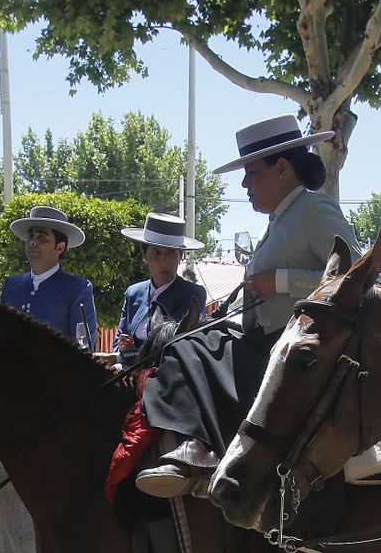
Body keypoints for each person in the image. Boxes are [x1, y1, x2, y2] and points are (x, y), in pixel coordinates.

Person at [134, 113, 358, 497]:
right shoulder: (278, 219)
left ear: (282, 168)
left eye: (251, 173)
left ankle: (199, 448)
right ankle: (197, 446)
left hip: (294, 357)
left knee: (188, 349)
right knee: (187, 344)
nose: (244, 184)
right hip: (265, 343)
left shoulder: (313, 209)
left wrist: (281, 281)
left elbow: (353, 273)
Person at [115, 211, 208, 367]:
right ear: (144, 255)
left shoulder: (193, 294)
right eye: (156, 253)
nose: (163, 260)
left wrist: (130, 354)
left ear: (181, 256)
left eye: (171, 253)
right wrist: (122, 347)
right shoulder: (133, 293)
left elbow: (175, 346)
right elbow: (118, 341)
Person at [0, 205, 97, 343]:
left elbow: (82, 350)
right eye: (30, 236)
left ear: (60, 247)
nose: (33, 242)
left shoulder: (77, 289)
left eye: (41, 237)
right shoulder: (11, 285)